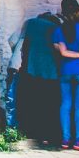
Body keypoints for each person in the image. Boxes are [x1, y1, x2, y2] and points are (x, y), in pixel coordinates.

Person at [53, 0, 79, 150]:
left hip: (65, 72)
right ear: (78, 11)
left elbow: (62, 52)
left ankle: (65, 139)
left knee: (65, 104)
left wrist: (76, 55)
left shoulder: (58, 30)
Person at [19, 12, 61, 144]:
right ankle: (48, 133)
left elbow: (25, 47)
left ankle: (33, 132)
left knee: (33, 103)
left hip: (32, 70)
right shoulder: (55, 27)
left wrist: (25, 65)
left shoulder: (31, 23)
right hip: (51, 72)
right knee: (49, 105)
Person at [6, 21, 27, 129]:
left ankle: (11, 126)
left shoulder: (25, 26)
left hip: (14, 65)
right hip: (24, 67)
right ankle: (15, 127)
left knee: (11, 97)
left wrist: (16, 53)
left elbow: (11, 41)